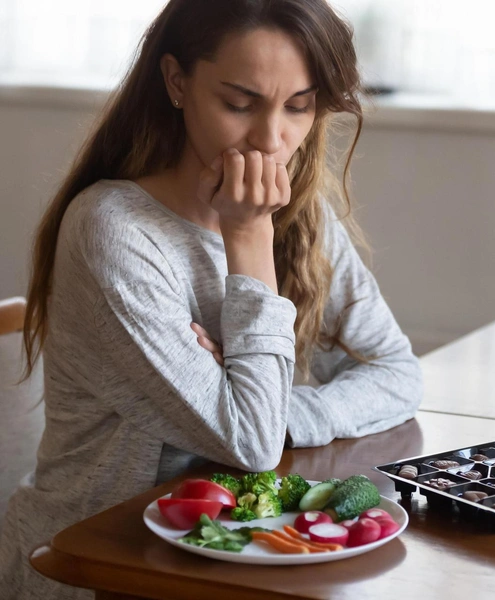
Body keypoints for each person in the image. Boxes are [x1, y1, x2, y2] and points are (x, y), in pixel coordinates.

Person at [0, 0, 422, 598]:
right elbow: (250, 445)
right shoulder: (115, 231)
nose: (271, 140)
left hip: (239, 553)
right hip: (96, 565)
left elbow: (398, 373)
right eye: (239, 103)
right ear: (177, 81)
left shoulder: (303, 215)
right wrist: (248, 236)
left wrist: (282, 413)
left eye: (298, 107)